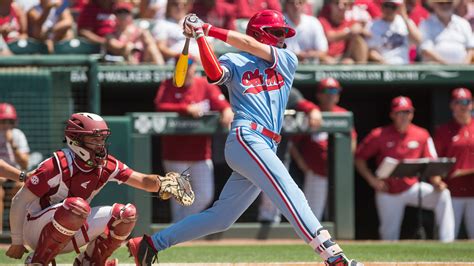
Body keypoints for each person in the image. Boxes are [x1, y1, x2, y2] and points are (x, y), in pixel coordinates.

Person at [128, 10, 362, 266]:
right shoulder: (234, 60)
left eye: (284, 33)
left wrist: (206, 29)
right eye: (278, 32)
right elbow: (214, 74)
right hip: (246, 136)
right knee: (289, 190)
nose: (283, 37)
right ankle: (334, 257)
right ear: (261, 32)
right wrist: (200, 37)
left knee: (222, 217)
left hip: (266, 144)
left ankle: (150, 244)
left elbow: (250, 44)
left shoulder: (286, 59)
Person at [5, 112, 194, 265]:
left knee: (126, 213)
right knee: (77, 207)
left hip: (73, 225)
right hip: (35, 231)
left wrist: (162, 182)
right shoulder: (55, 165)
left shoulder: (106, 164)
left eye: (102, 139)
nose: (100, 144)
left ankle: (91, 262)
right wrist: (17, 241)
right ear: (76, 140)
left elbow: (143, 180)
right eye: (94, 139)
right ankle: (38, 261)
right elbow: (19, 201)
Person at [355, 96, 455, 242]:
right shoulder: (379, 134)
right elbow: (359, 158)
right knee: (389, 236)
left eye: (407, 112)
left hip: (412, 187)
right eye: (399, 113)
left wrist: (436, 181)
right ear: (392, 115)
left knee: (443, 195)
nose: (403, 116)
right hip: (387, 190)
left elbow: (432, 162)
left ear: (412, 114)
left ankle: (447, 242)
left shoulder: (422, 134)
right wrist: (372, 180)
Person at [154, 56, 233, 222]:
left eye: (190, 67)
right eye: (183, 67)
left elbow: (223, 104)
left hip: (201, 153)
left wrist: (226, 111)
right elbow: (160, 105)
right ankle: (178, 233)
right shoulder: (168, 84)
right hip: (175, 154)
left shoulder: (203, 84)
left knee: (205, 195)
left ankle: (180, 225)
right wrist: (186, 109)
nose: (187, 70)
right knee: (178, 198)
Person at [290, 78, 357, 220]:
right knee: (312, 216)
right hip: (316, 174)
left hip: (338, 175)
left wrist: (346, 162)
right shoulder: (311, 114)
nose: (331, 95)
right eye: (327, 91)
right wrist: (302, 164)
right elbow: (292, 142)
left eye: (335, 91)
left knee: (340, 217)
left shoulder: (343, 113)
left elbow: (352, 140)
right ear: (319, 94)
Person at [257, 88, 322, 224]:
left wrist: (314, 111)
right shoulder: (253, 87)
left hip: (278, 152)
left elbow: (305, 105)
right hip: (252, 148)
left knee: (276, 189)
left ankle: (270, 224)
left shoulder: (286, 90)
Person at [434, 88, 474, 239]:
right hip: (453, 191)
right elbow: (436, 159)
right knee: (447, 238)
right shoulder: (443, 130)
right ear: (452, 105)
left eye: (466, 102)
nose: (463, 106)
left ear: (472, 104)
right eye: (458, 102)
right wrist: (436, 180)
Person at [0, 103, 29, 233]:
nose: (7, 125)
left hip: (14, 176)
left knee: (23, 189)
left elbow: (24, 164)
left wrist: (12, 144)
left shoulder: (18, 135)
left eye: (10, 121)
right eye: (3, 121)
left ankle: (20, 233)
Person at [367, 0, 422, 64]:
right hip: (383, 66)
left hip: (404, 66)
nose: (389, 9)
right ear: (381, 6)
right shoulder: (372, 25)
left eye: (393, 6)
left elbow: (418, 41)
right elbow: (369, 50)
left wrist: (404, 16)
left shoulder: (405, 22)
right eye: (386, 5)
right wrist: (383, 61)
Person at [419, 0, 474, 64]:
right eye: (441, 3)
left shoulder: (463, 23)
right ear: (433, 5)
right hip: (435, 70)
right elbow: (426, 50)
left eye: (449, 3)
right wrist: (447, 65)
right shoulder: (426, 24)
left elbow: (471, 48)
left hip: (462, 69)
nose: (445, 6)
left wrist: (463, 66)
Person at [318, 0, 370, 64]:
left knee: (358, 40)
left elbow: (369, 34)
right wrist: (350, 32)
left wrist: (361, 28)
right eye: (337, 3)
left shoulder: (351, 22)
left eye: (345, 4)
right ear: (331, 5)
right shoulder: (323, 20)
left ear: (349, 7)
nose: (340, 6)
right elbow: (330, 37)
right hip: (325, 57)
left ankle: (362, 68)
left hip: (343, 57)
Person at [283, 0, 332, 64]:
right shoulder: (280, 22)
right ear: (286, 5)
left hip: (310, 66)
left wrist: (309, 55)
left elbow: (323, 51)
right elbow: (274, 52)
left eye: (300, 2)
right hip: (285, 66)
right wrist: (295, 55)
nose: (296, 6)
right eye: (292, 3)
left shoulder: (313, 22)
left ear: (305, 4)